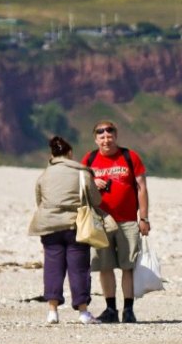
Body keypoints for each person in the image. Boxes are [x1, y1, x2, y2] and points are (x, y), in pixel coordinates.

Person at [82, 120, 150, 323]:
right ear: (96, 139)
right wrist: (92, 181)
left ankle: (128, 310)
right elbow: (80, 184)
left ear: (116, 137)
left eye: (109, 136)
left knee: (128, 266)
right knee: (105, 266)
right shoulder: (90, 158)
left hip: (128, 221)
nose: (106, 140)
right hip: (100, 221)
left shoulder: (130, 156)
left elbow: (142, 188)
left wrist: (143, 217)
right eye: (101, 137)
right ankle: (110, 309)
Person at [28, 136, 100, 325]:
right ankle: (83, 312)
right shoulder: (82, 173)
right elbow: (96, 199)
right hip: (74, 225)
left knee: (53, 268)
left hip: (49, 227)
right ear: (70, 154)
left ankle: (52, 311)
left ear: (52, 155)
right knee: (79, 268)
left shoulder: (44, 175)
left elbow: (39, 200)